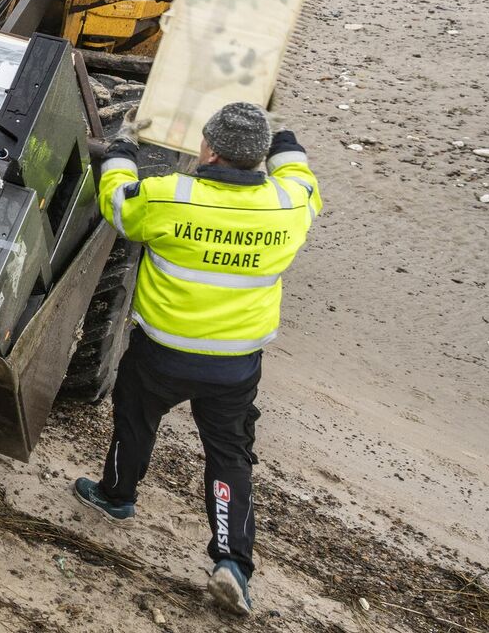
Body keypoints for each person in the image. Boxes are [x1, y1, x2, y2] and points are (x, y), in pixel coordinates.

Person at [71, 103, 323, 618]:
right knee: (230, 453)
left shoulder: (172, 196)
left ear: (207, 149)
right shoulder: (290, 205)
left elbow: (117, 201)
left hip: (163, 352)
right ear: (258, 158)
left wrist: (123, 146)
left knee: (135, 420)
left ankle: (116, 496)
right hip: (234, 363)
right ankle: (232, 561)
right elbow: (301, 176)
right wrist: (286, 140)